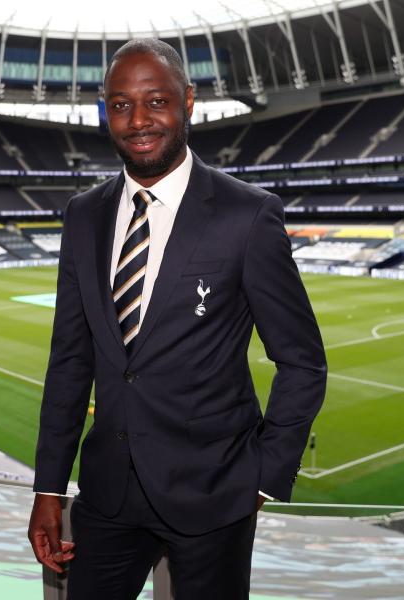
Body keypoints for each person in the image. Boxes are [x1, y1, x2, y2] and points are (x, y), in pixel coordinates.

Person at [28, 39, 327, 600]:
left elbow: (302, 361)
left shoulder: (248, 214)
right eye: (120, 105)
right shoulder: (84, 214)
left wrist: (262, 477)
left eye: (155, 101)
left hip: (215, 495)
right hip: (106, 496)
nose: (138, 120)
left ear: (188, 101)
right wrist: (48, 488)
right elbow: (70, 359)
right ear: (104, 111)